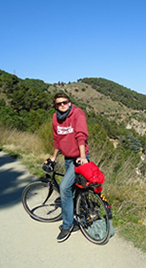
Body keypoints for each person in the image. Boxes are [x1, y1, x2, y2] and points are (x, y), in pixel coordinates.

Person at [48, 93, 89, 242]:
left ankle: (67, 225)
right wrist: (54, 156)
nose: (62, 105)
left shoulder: (77, 113)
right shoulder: (55, 118)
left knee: (64, 188)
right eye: (58, 104)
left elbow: (81, 135)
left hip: (79, 158)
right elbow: (57, 139)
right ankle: (76, 218)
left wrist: (83, 156)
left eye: (64, 102)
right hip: (67, 158)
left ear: (70, 102)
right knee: (71, 191)